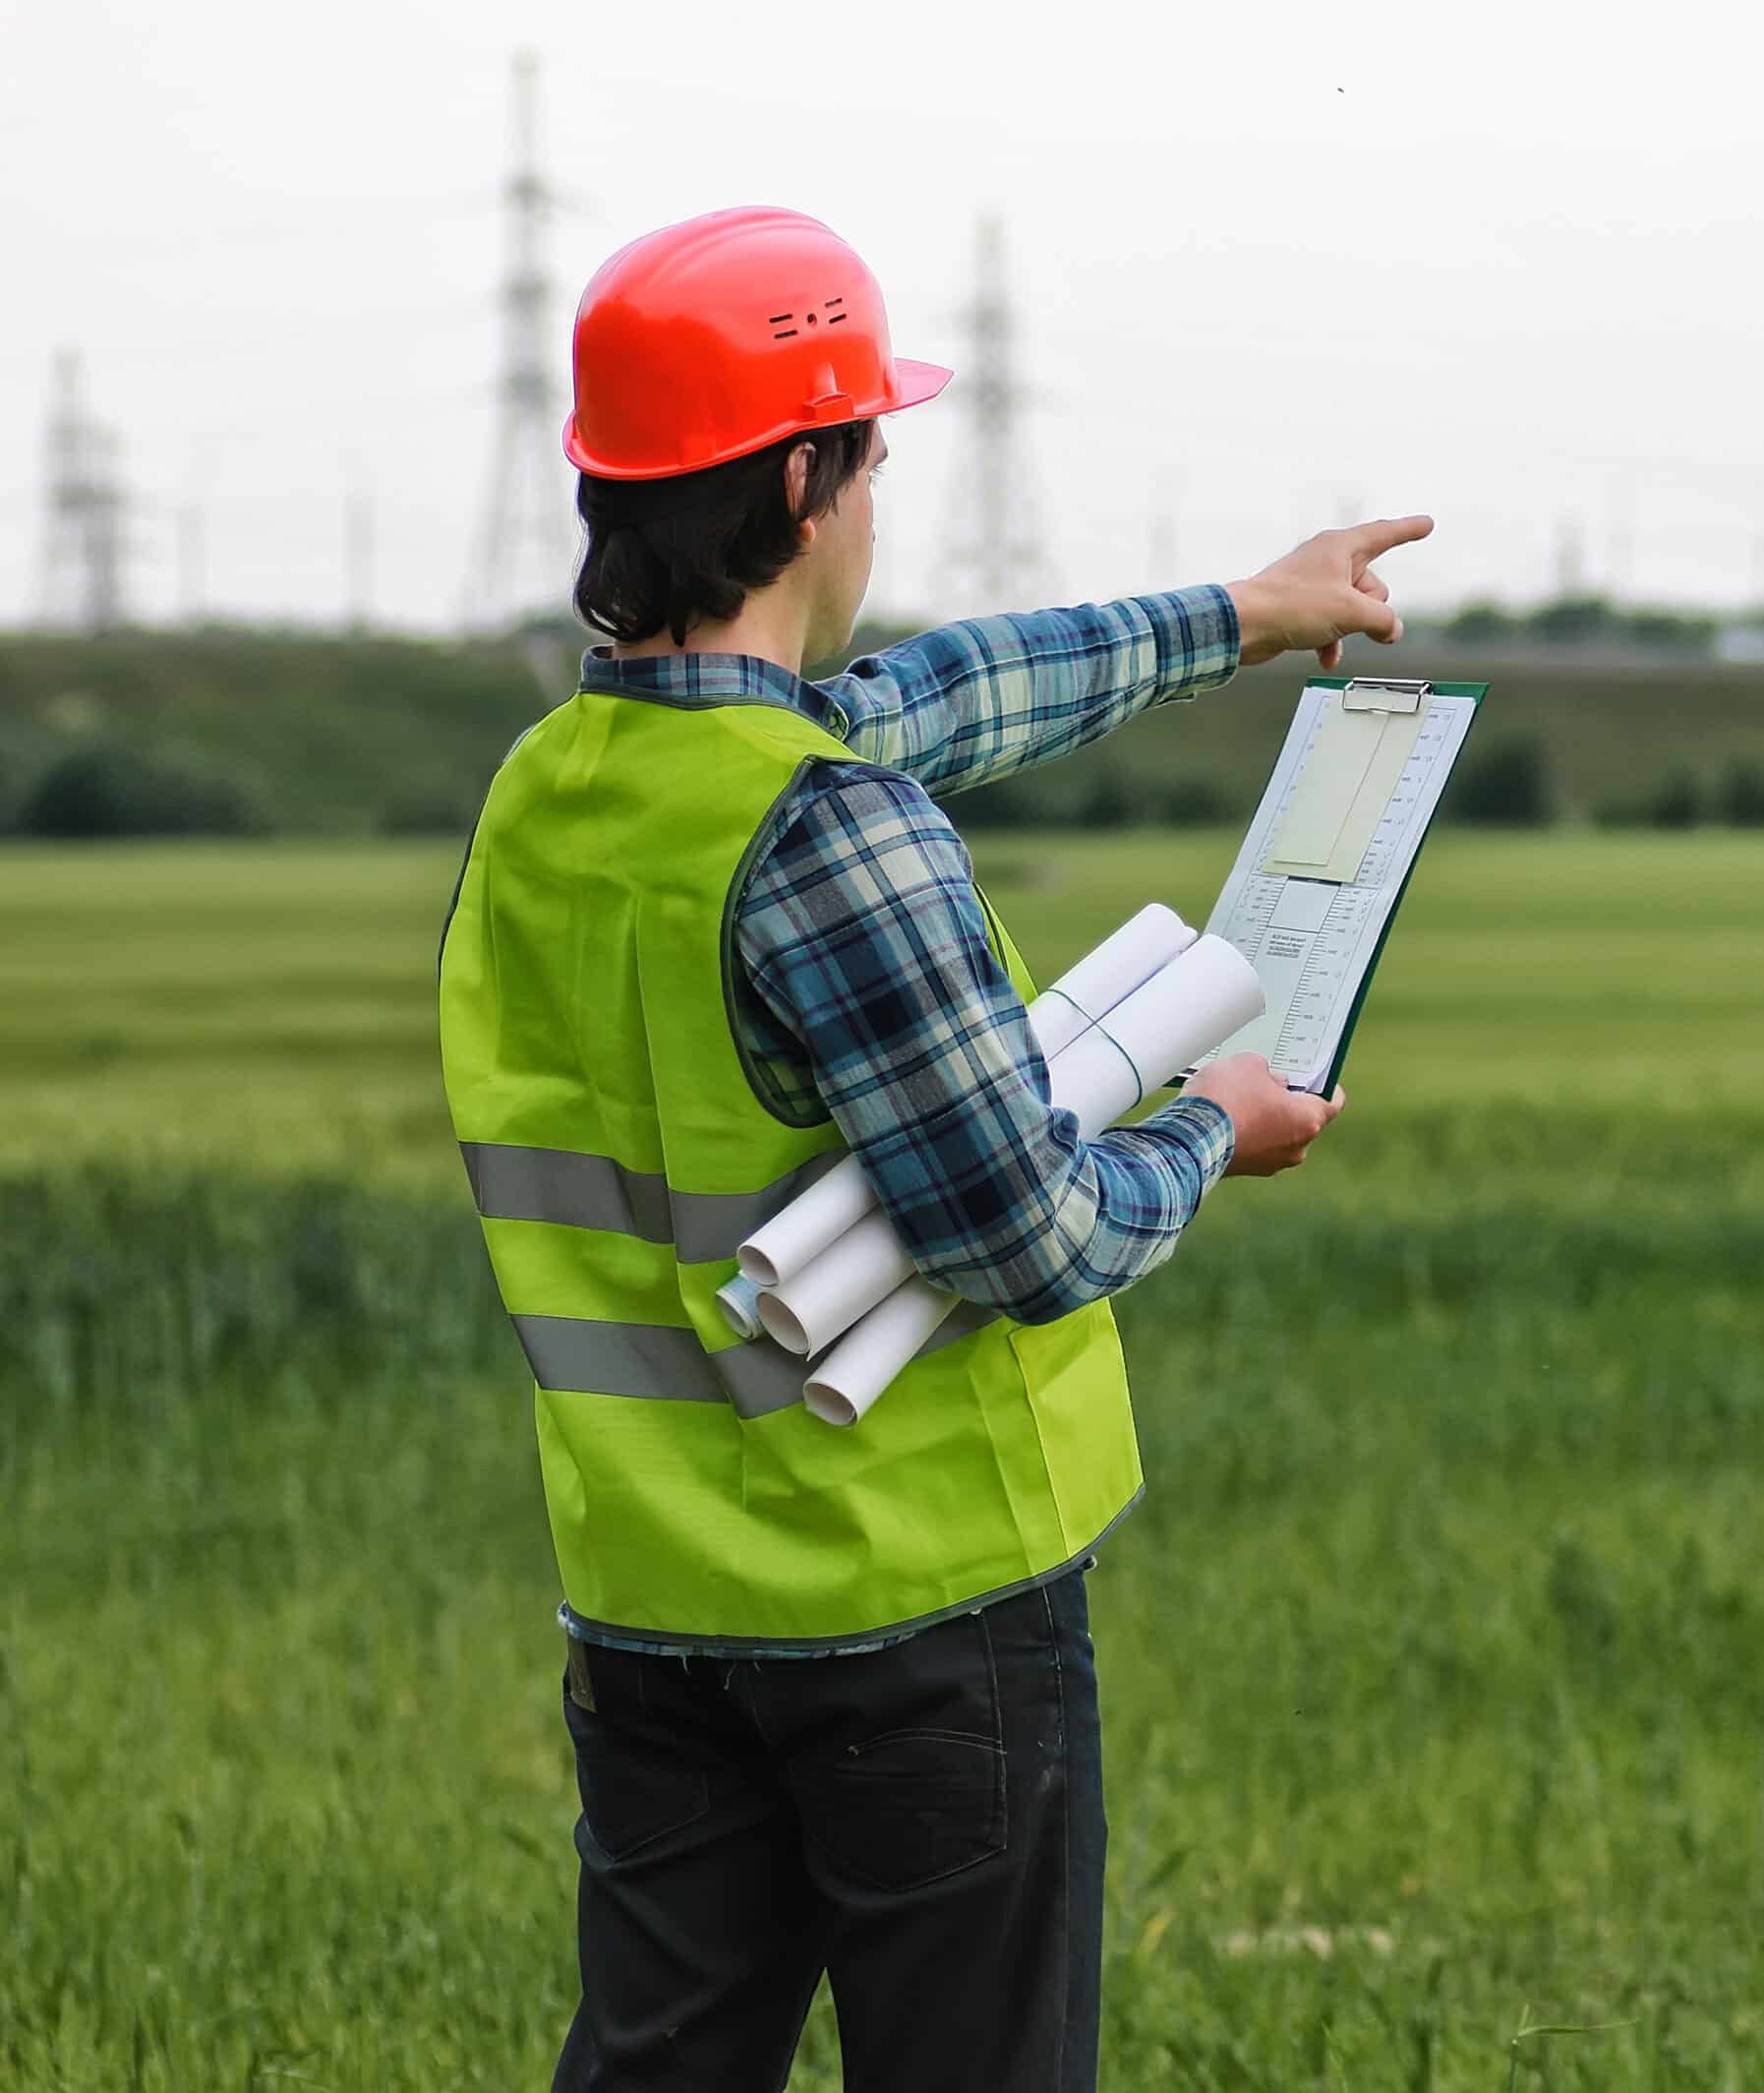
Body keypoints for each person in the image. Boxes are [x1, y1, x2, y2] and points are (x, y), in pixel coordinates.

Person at [438, 204, 1432, 2093]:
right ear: (810, 477)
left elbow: (943, 696)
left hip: (651, 1604)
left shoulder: (548, 791)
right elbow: (1026, 1235)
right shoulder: (826, 831)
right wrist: (1208, 1128)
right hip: (918, 1612)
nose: (877, 491)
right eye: (871, 451)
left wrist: (1246, 612)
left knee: (660, 2066)